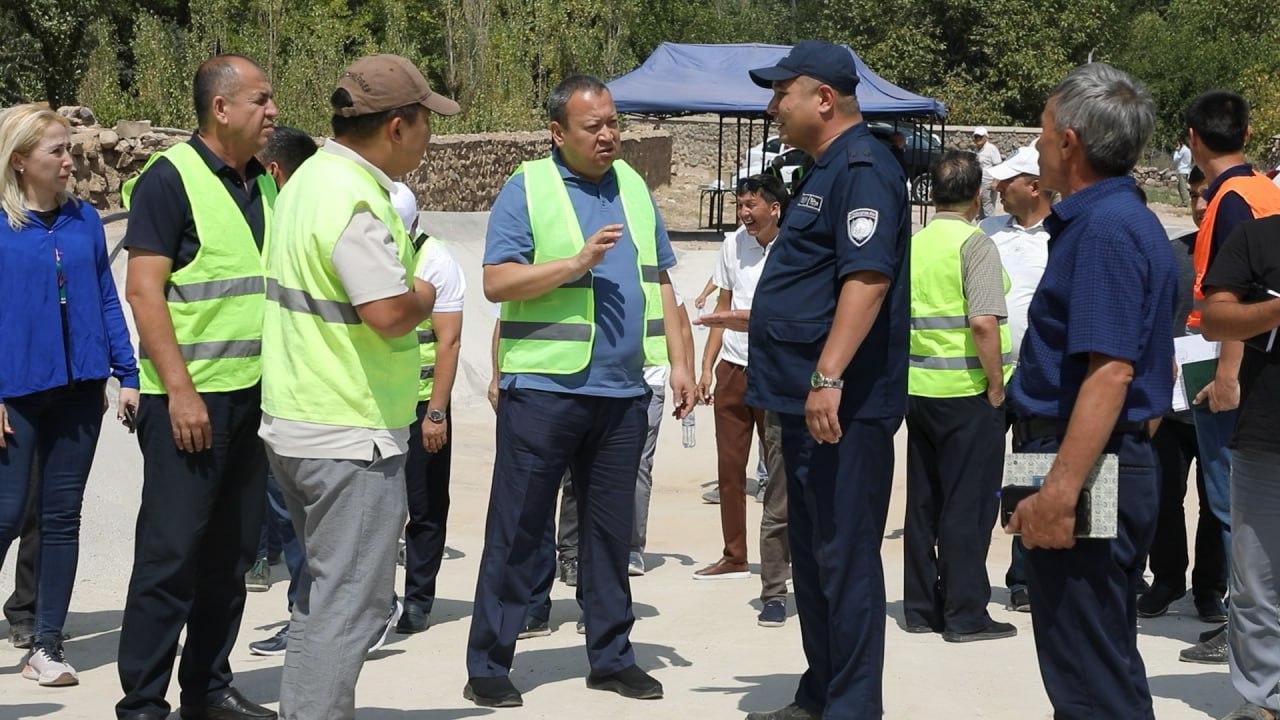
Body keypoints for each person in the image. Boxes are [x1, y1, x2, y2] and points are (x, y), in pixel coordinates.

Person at [465, 73, 695, 708]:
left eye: (613, 122)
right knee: (518, 529)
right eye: (593, 126)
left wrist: (679, 361)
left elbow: (662, 282)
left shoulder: (636, 192)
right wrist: (574, 264)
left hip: (622, 392)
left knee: (608, 533)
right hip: (544, 391)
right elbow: (496, 282)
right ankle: (489, 660)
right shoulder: (527, 187)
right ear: (557, 133)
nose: (608, 135)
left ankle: (612, 656)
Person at [259, 54, 457, 720]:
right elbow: (389, 311)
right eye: (427, 122)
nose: (430, 137)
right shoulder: (354, 198)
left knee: (325, 597)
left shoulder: (308, 180)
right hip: (347, 433)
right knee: (354, 604)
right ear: (397, 126)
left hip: (298, 417)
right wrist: (426, 290)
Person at [739, 40, 911, 720]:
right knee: (813, 564)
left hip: (842, 408)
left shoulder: (864, 168)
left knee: (844, 563)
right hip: (802, 402)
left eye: (782, 92)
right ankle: (822, 694)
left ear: (824, 98)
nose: (773, 105)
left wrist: (829, 374)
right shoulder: (822, 169)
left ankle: (852, 707)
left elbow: (866, 280)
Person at [1003, 63, 1176, 718]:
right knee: (1094, 656)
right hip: (1092, 457)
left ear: (1070, 142)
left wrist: (1059, 490)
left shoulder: (1104, 232)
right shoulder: (1116, 223)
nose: (1039, 146)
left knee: (1089, 677)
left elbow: (1111, 372)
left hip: (1084, 462)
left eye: (1043, 133)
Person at [116, 54, 279, 720]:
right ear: (221, 108)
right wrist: (180, 392)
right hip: (189, 402)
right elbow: (143, 290)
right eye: (262, 101)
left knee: (230, 557)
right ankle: (144, 704)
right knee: (170, 557)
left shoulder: (263, 185)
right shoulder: (168, 180)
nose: (273, 113)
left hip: (253, 398)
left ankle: (206, 689)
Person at [0, 103, 139, 686]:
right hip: (15, 393)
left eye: (69, 147)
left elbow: (107, 296)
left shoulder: (84, 220)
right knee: (6, 515)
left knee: (61, 521)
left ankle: (46, 644)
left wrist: (126, 373)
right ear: (20, 160)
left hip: (80, 390)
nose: (69, 159)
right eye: (56, 149)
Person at [1180, 89, 1280, 665]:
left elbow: (1235, 298)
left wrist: (1226, 377)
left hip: (1238, 361)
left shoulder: (1233, 201)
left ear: (1192, 139)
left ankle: (1229, 621)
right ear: (1244, 135)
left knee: (1232, 505)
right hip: (1251, 354)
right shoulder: (1260, 190)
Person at [902, 150, 1015, 642]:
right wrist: (995, 386)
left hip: (920, 388)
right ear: (979, 194)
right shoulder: (976, 245)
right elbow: (983, 321)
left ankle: (921, 606)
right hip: (968, 392)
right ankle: (967, 613)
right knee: (967, 506)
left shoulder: (915, 244)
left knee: (923, 502)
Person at [693, 173, 792, 629]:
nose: (744, 213)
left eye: (752, 205)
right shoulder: (733, 245)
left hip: (777, 370)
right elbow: (724, 308)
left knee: (778, 476)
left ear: (775, 208)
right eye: (739, 205)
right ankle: (734, 555)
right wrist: (707, 367)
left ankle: (780, 570)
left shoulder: (796, 245)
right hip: (734, 368)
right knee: (729, 468)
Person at [1139, 165, 1229, 623]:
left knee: (1218, 505)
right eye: (1194, 196)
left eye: (1208, 197)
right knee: (1163, 497)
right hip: (1171, 405)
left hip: (1222, 405)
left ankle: (1210, 590)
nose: (1199, 206)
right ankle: (1167, 580)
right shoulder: (1172, 255)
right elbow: (1151, 316)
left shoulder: (1243, 253)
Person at [1200, 212, 1280, 720]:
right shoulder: (1259, 236)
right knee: (1256, 583)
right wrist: (1274, 311)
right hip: (1265, 435)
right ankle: (1262, 698)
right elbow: (1215, 319)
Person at [979, 143, 1052, 613]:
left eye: (1007, 183)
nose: (998, 190)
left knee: (1032, 475)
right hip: (989, 376)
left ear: (1034, 186)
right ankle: (964, 575)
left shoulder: (1063, 237)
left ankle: (1024, 577)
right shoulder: (986, 232)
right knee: (980, 476)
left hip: (1040, 377)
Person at [245, 125, 317, 594]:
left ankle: (302, 602)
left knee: (287, 496)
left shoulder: (291, 210)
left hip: (289, 377)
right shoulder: (274, 207)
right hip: (267, 372)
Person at [393, 181, 467, 634]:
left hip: (422, 404)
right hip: (373, 403)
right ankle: (372, 599)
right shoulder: (369, 248)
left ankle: (418, 598)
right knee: (373, 508)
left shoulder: (435, 259)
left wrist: (436, 413)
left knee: (425, 506)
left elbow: (449, 341)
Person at [973, 126, 1002, 219]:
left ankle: (990, 231)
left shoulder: (991, 149)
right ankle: (982, 230)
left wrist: (995, 182)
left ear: (986, 137)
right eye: (976, 137)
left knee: (988, 209)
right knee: (978, 210)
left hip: (988, 184)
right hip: (979, 183)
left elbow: (998, 166)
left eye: (980, 137)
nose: (977, 139)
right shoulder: (977, 150)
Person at [1174, 138, 1193, 204]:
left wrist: (1176, 150)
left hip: (1183, 171)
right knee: (1180, 186)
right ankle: (1185, 200)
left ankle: (1185, 202)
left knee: (1182, 187)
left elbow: (1175, 159)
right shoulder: (1187, 150)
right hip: (1186, 170)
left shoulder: (1183, 150)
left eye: (1177, 143)